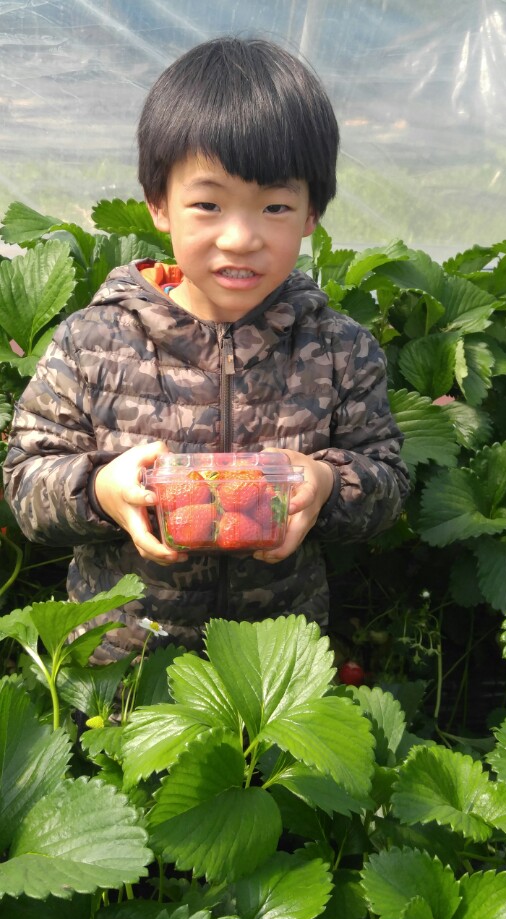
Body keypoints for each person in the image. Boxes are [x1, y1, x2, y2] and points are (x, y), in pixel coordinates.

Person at [3, 36, 409, 663]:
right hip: (125, 665)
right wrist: (102, 491)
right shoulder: (93, 343)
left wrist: (327, 484)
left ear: (312, 214)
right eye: (208, 204)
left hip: (272, 662)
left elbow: (388, 478)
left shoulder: (339, 349)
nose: (240, 237)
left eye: (275, 205)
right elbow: (23, 481)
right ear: (159, 205)